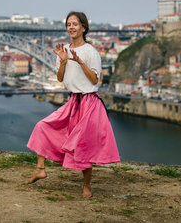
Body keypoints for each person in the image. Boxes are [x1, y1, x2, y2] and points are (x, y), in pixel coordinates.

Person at [26, 11, 120, 197]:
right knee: (43, 126)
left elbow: (94, 80)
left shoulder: (91, 52)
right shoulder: (64, 50)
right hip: (73, 101)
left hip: (90, 102)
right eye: (69, 24)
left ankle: (87, 186)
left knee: (83, 145)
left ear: (83, 28)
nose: (71, 27)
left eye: (75, 24)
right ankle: (40, 169)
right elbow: (61, 78)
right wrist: (63, 61)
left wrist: (80, 61)